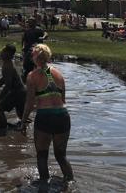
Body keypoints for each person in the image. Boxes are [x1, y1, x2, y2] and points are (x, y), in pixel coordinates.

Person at [21, 44, 73, 186]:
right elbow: (63, 100)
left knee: (42, 155)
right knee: (61, 156)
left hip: (45, 117)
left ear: (35, 58)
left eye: (32, 55)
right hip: (63, 116)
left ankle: (44, 185)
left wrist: (23, 121)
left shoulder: (32, 76)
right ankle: (71, 183)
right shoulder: (59, 74)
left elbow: (30, 103)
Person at [0, 44, 26, 129]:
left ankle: (3, 130)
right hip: (22, 92)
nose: (1, 52)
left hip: (16, 92)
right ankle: (24, 132)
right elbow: (4, 78)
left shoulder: (8, 66)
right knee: (22, 116)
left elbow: (7, 86)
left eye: (3, 51)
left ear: (8, 54)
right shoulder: (8, 63)